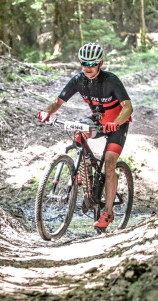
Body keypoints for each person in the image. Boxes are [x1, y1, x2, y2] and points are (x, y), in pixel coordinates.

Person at [37, 43, 133, 228]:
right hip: (97, 119)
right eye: (84, 63)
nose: (88, 67)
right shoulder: (78, 80)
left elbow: (128, 107)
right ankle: (84, 174)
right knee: (78, 131)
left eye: (92, 63)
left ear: (100, 63)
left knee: (110, 162)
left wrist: (116, 122)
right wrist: (46, 112)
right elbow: (58, 101)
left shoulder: (111, 80)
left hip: (117, 123)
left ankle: (108, 212)